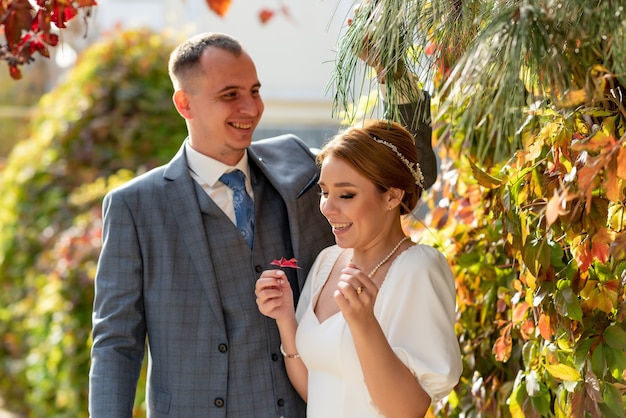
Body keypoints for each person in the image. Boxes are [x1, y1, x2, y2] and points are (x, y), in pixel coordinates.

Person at [89, 31, 437, 417]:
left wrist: (394, 71)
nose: (250, 108)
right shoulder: (135, 206)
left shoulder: (298, 166)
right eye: (230, 95)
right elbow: (115, 343)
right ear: (184, 103)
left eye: (254, 91)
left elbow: (407, 171)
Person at [255, 120, 462, 418]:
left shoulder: (418, 268)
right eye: (325, 192)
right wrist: (286, 319)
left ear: (392, 196)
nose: (327, 207)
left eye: (346, 194)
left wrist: (364, 324)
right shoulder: (328, 261)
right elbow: (317, 390)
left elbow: (408, 410)